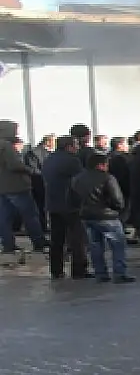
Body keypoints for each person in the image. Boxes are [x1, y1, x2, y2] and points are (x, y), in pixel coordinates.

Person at [69, 153, 133, 283]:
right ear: (101, 165)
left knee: (95, 246)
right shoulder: (108, 178)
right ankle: (120, 273)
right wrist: (118, 209)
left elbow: (71, 199)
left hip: (86, 216)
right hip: (107, 216)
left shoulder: (77, 179)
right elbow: (118, 200)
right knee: (118, 245)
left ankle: (100, 273)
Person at [41, 136, 90, 279]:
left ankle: (56, 270)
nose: (77, 148)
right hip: (70, 204)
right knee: (77, 238)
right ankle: (79, 269)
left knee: (56, 239)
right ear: (69, 146)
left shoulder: (49, 159)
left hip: (52, 203)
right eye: (75, 145)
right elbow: (80, 181)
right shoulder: (72, 160)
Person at [0, 120, 47, 253]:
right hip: (16, 186)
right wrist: (31, 171)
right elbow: (15, 165)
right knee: (30, 215)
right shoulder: (6, 146)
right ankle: (38, 242)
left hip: (2, 187)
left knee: (4, 217)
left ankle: (8, 245)